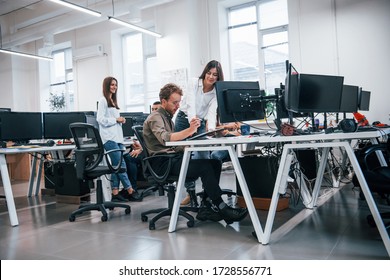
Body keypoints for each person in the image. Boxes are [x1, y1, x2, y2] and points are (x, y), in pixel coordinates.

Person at [143, 83, 248, 224]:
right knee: (204, 167)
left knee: (214, 163)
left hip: (172, 159)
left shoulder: (167, 118)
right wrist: (190, 131)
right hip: (163, 164)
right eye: (174, 103)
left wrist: (190, 143)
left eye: (179, 102)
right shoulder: (155, 117)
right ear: (163, 102)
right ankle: (223, 208)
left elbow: (173, 145)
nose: (178, 106)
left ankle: (207, 206)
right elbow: (166, 138)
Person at [175, 60, 224, 205]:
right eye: (209, 73)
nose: (211, 77)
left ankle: (206, 193)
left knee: (203, 155)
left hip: (200, 122)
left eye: (215, 74)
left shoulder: (216, 91)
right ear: (205, 72)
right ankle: (190, 193)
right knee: (184, 155)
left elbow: (211, 111)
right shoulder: (193, 82)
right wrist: (192, 123)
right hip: (184, 119)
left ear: (218, 76)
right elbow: (190, 104)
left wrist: (210, 130)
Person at [96, 76, 136, 202]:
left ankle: (115, 193)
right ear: (107, 85)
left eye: (116, 85)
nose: (114, 87)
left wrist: (121, 120)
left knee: (115, 166)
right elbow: (100, 119)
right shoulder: (103, 101)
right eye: (112, 84)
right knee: (121, 165)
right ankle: (130, 190)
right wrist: (116, 119)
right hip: (109, 139)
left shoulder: (113, 102)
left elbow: (113, 121)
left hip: (117, 138)